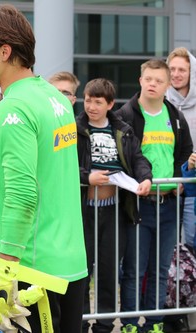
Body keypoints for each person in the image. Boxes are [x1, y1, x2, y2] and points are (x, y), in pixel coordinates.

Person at [0, 4, 88, 331]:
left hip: (31, 271)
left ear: (4, 52)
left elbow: (22, 195)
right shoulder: (56, 98)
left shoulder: (14, 110)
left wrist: (4, 273)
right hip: (70, 266)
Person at [115, 59, 193, 333]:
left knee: (160, 269)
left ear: (167, 85)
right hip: (138, 204)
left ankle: (154, 323)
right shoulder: (125, 115)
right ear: (140, 80)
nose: (152, 84)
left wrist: (180, 177)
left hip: (169, 204)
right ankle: (128, 324)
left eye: (159, 81)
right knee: (134, 269)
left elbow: (184, 151)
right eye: (148, 79)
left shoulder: (175, 116)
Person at [76, 78, 152, 333]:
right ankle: (81, 321)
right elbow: (65, 166)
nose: (91, 106)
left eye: (98, 102)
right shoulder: (74, 129)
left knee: (109, 271)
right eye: (87, 100)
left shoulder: (123, 129)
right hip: (83, 210)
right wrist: (87, 178)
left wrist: (146, 178)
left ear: (110, 104)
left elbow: (138, 158)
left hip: (115, 209)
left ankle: (105, 324)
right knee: (81, 271)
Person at [166, 47, 196, 248]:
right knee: (168, 243)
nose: (176, 74)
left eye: (182, 70)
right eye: (172, 69)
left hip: (193, 183)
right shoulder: (160, 101)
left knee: (192, 238)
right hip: (168, 183)